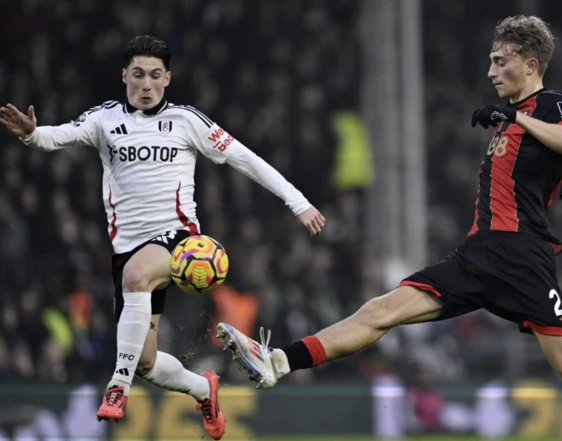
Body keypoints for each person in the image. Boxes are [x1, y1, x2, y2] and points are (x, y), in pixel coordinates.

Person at [216, 15, 562, 426]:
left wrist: (520, 124)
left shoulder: (547, 104)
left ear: (531, 65)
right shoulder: (518, 118)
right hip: (477, 255)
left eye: (500, 61)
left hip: (521, 258)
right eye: (491, 59)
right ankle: (279, 361)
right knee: (381, 310)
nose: (491, 70)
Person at [0, 35, 325, 439]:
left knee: (136, 280)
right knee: (146, 362)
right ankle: (203, 389)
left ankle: (117, 388)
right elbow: (56, 136)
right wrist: (31, 134)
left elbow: (245, 158)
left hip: (179, 240)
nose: (146, 84)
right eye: (138, 75)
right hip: (126, 250)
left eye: (155, 75)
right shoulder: (104, 120)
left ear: (167, 78)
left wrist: (298, 203)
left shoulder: (187, 121)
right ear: (125, 76)